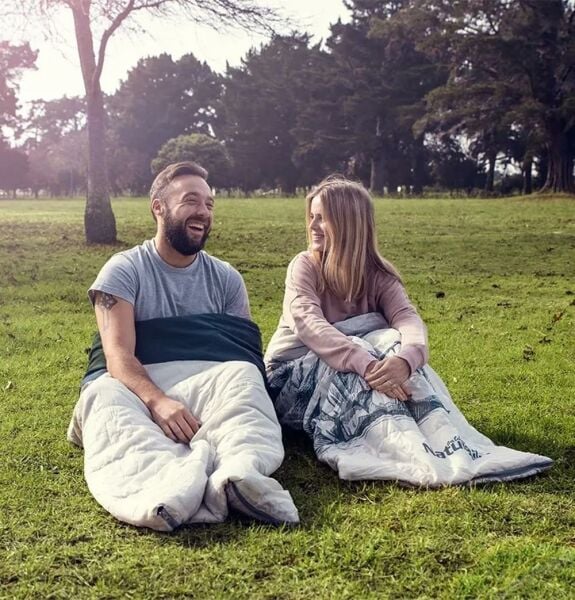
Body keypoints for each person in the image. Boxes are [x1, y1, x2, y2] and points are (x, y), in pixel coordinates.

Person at [265, 176, 552, 486]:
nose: (313, 225)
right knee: (364, 349)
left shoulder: (379, 275)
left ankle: (441, 444)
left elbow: (409, 322)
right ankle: (402, 449)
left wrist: (404, 361)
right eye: (312, 217)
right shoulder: (304, 266)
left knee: (392, 342)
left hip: (365, 365)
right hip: (290, 381)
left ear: (348, 222)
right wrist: (368, 364)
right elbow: (310, 325)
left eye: (323, 218)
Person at [67, 161, 299, 531]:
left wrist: (192, 396)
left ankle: (239, 475)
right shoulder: (122, 270)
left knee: (243, 376)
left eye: (209, 204)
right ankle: (164, 492)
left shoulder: (226, 278)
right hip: (137, 382)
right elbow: (118, 356)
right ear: (158, 207)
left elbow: (238, 354)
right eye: (191, 201)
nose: (203, 213)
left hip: (207, 378)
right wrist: (159, 402)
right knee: (105, 397)